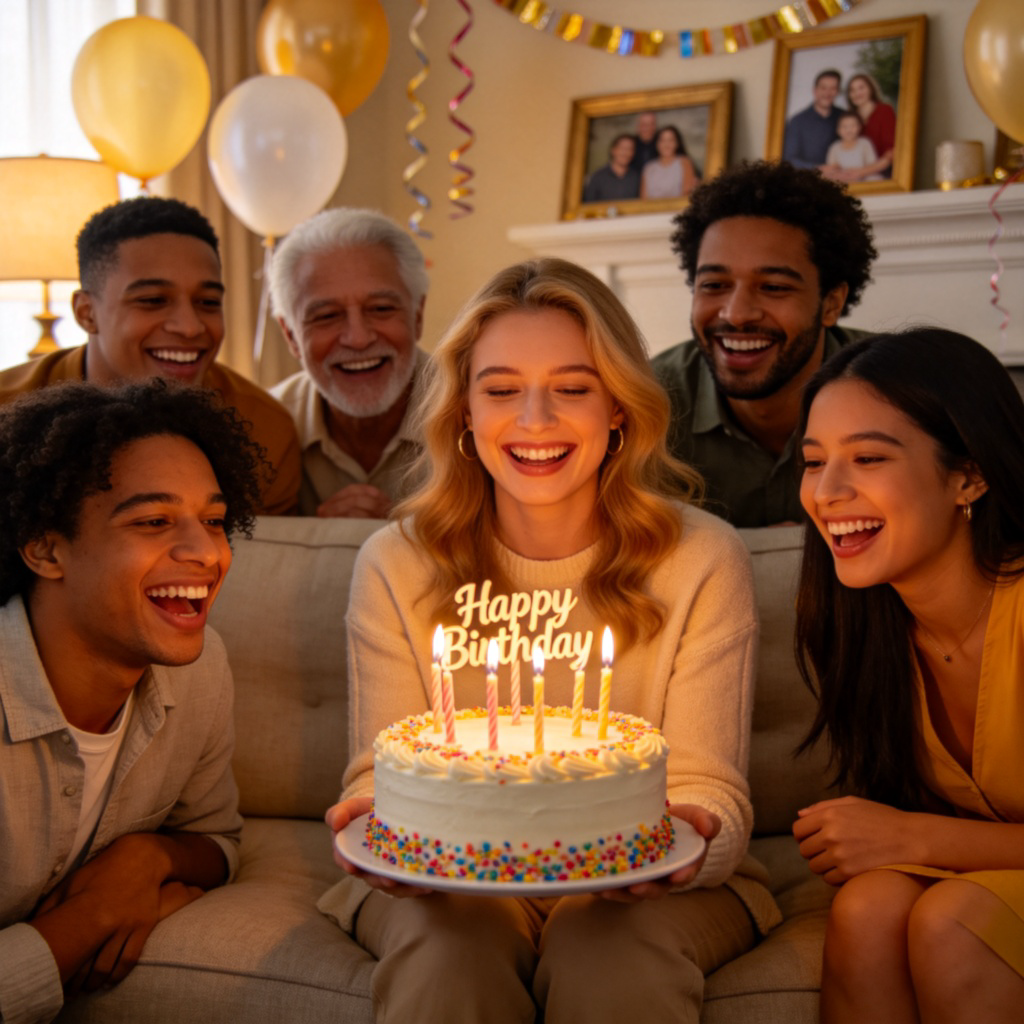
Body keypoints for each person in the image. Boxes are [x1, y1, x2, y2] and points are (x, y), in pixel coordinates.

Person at [318, 258, 781, 1024]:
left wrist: (691, 841)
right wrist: (373, 820)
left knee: (608, 956)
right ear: (464, 410)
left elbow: (707, 788)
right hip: (449, 878)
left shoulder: (700, 557)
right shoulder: (398, 563)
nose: (534, 420)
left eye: (573, 387)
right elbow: (380, 773)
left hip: (646, 885)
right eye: (500, 389)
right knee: (448, 958)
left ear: (620, 408)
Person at [0, 378, 264, 1023]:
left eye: (212, 520)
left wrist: (148, 859)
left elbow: (216, 838)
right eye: (152, 521)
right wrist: (92, 919)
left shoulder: (199, 671)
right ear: (45, 547)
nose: (207, 553)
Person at [792, 327, 1024, 1022]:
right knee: (867, 906)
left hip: (973, 898)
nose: (829, 492)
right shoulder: (867, 628)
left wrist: (913, 838)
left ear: (969, 476)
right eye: (812, 461)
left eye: (867, 457)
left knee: (952, 919)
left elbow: (919, 836)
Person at [0, 196, 300, 516]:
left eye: (208, 302)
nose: (189, 327)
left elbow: (265, 560)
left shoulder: (262, 430)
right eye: (154, 300)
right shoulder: (8, 410)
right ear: (86, 312)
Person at [650, 159, 877, 527]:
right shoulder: (645, 404)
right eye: (714, 285)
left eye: (774, 287)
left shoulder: (899, 390)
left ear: (831, 303)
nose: (736, 314)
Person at [269, 208, 429, 518]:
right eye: (327, 316)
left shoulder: (477, 417)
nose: (358, 338)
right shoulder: (260, 429)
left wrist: (405, 538)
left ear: (417, 316)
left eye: (381, 308)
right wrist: (320, 541)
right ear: (290, 336)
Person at [782, 69, 843, 170]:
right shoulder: (797, 121)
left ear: (838, 91)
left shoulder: (844, 117)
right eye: (823, 88)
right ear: (815, 90)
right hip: (808, 180)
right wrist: (818, 169)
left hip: (844, 178)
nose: (827, 93)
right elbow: (789, 159)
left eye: (833, 88)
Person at [841, 72, 896, 181]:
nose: (857, 93)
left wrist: (863, 172)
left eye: (861, 88)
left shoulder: (884, 110)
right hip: (855, 175)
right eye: (852, 90)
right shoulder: (849, 118)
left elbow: (892, 150)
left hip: (885, 173)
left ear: (871, 89)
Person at [640, 125, 700, 200]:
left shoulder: (685, 162)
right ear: (657, 144)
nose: (666, 144)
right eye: (662, 140)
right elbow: (643, 199)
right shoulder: (649, 167)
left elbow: (686, 194)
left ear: (677, 143)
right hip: (651, 211)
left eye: (671, 140)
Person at [825, 111, 883, 182]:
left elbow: (873, 166)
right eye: (844, 126)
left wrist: (859, 173)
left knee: (874, 178)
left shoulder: (865, 143)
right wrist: (844, 175)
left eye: (853, 126)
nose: (849, 130)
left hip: (864, 180)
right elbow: (832, 169)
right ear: (838, 130)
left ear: (859, 127)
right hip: (844, 180)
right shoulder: (834, 148)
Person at [582, 133, 640, 203]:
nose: (626, 152)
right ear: (613, 150)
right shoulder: (597, 177)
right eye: (622, 148)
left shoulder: (636, 177)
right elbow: (588, 205)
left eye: (630, 149)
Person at [629, 110, 660, 175]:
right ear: (638, 127)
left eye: (651, 124)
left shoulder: (662, 143)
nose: (648, 128)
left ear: (655, 126)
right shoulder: (630, 144)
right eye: (644, 125)